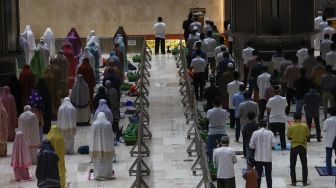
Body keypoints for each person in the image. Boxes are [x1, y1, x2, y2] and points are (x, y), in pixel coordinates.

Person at [249, 121, 276, 188]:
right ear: (266, 126)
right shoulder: (270, 133)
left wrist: (256, 146)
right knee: (268, 176)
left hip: (258, 158)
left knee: (258, 177)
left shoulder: (255, 133)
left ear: (259, 126)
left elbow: (251, 146)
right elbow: (274, 144)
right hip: (268, 158)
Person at [90, 112, 115, 180]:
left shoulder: (94, 124)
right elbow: (111, 135)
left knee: (98, 161)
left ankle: (99, 175)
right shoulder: (108, 124)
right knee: (107, 161)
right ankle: (107, 175)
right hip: (107, 147)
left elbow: (92, 136)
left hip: (96, 146)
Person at [287, 113, 309, 186]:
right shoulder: (305, 126)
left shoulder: (291, 127)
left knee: (292, 165)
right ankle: (305, 182)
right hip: (302, 147)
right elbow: (307, 136)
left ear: (294, 118)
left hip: (294, 146)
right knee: (304, 165)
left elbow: (288, 137)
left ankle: (293, 182)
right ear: (301, 118)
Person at [237, 91, 259, 156]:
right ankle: (254, 153)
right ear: (251, 96)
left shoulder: (241, 105)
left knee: (245, 140)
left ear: (244, 97)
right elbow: (258, 113)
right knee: (255, 139)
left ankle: (245, 154)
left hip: (244, 125)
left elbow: (238, 115)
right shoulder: (255, 104)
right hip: (254, 124)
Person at [207, 97, 228, 162]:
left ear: (213, 103)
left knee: (211, 148)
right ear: (221, 103)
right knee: (224, 148)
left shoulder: (209, 111)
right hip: (222, 131)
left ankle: (211, 160)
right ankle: (223, 160)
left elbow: (208, 119)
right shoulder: (224, 111)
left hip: (212, 132)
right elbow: (226, 118)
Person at [266, 85, 287, 150]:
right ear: (279, 91)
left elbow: (267, 108)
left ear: (273, 92)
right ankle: (283, 146)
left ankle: (272, 146)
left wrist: (272, 111)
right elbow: (286, 107)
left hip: (273, 119)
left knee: (272, 134)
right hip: (282, 119)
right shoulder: (284, 99)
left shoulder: (270, 99)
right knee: (282, 135)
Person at [323, 107, 336, 175]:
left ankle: (329, 172)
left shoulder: (327, 120)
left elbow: (324, 129)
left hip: (329, 141)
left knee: (328, 157)